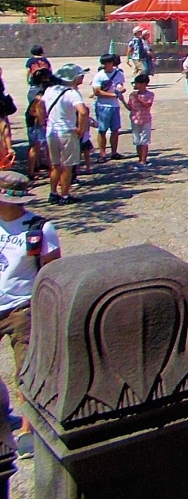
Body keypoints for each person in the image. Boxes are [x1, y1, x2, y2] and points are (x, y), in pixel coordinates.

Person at [0, 171, 61, 456]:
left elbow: (52, 271)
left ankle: (28, 428)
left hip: (22, 309)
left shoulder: (39, 228)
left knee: (25, 371)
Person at [43, 64, 89, 204]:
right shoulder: (72, 93)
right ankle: (64, 195)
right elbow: (82, 111)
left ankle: (53, 193)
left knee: (55, 165)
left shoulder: (50, 90)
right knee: (68, 166)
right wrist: (81, 129)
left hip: (51, 131)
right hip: (67, 131)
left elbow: (39, 105)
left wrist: (43, 121)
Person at [91, 54, 127, 162]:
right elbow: (97, 91)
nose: (105, 65)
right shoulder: (99, 75)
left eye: (107, 63)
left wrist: (121, 89)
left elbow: (120, 85)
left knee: (115, 130)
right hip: (102, 105)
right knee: (102, 130)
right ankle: (102, 154)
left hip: (115, 105)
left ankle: (114, 152)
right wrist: (113, 95)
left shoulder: (119, 74)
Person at [23, 68, 54, 180]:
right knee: (37, 147)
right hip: (36, 121)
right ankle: (33, 172)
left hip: (32, 120)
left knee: (36, 146)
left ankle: (36, 167)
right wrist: (44, 121)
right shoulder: (39, 92)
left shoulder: (32, 89)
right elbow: (35, 110)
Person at [125, 74, 155, 166]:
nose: (136, 85)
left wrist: (138, 98)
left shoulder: (150, 94)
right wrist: (122, 100)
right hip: (135, 118)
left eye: (137, 83)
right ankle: (140, 159)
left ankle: (144, 160)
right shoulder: (132, 95)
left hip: (145, 119)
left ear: (144, 84)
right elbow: (130, 107)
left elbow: (147, 105)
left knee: (144, 140)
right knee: (137, 140)